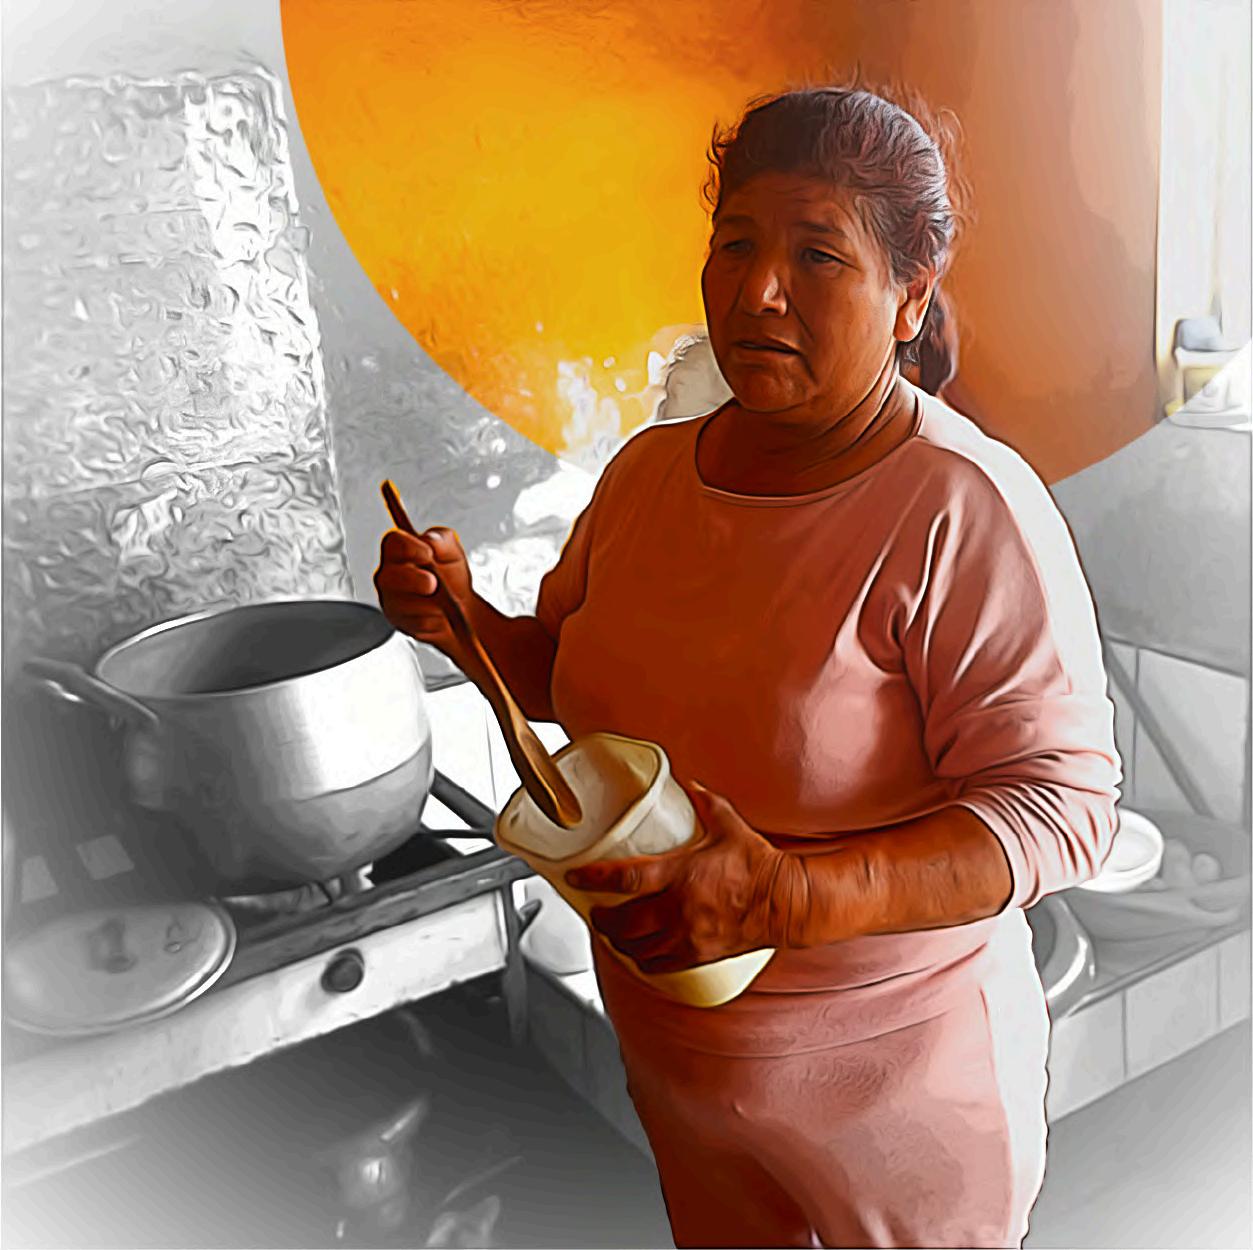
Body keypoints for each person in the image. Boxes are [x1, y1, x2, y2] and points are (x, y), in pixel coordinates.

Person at [375, 84, 1121, 1250]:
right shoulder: (648, 477)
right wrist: (462, 619)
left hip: (895, 1088)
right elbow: (565, 678)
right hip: (679, 1051)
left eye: (816, 253)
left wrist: (792, 897)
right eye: (735, 244)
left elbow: (1060, 810)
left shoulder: (956, 507)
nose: (757, 289)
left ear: (908, 295)